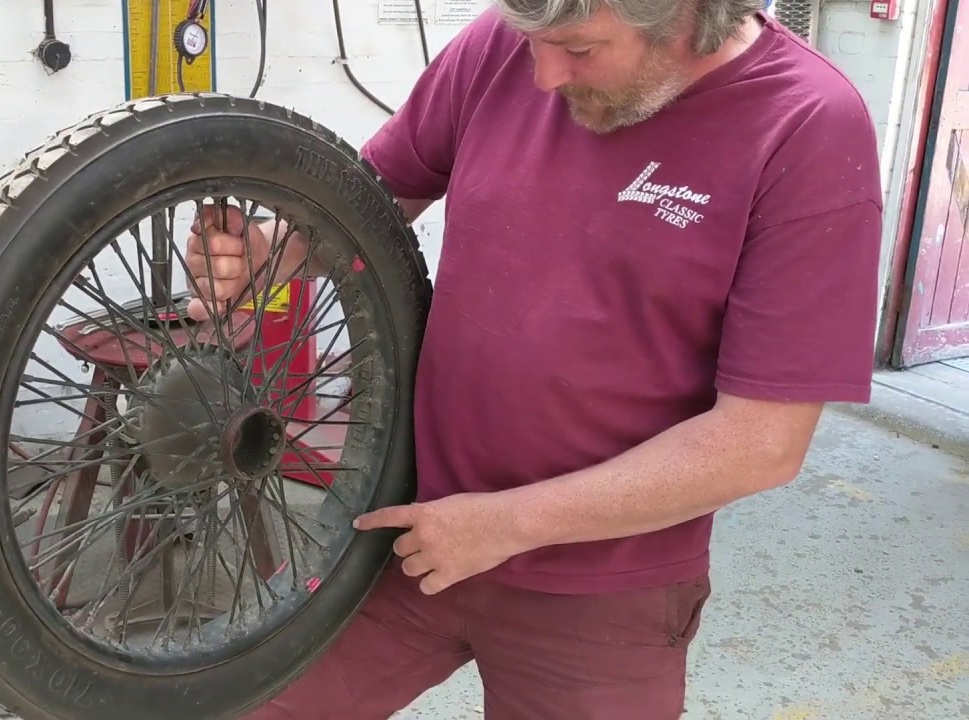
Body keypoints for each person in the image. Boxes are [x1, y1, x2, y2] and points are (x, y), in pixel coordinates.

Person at [186, 0, 882, 717]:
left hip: (601, 588)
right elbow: (365, 205)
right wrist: (270, 251)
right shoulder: (507, 40)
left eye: (579, 50)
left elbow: (760, 444)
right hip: (404, 523)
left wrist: (505, 525)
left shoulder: (806, 124)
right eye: (532, 42)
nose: (543, 76)